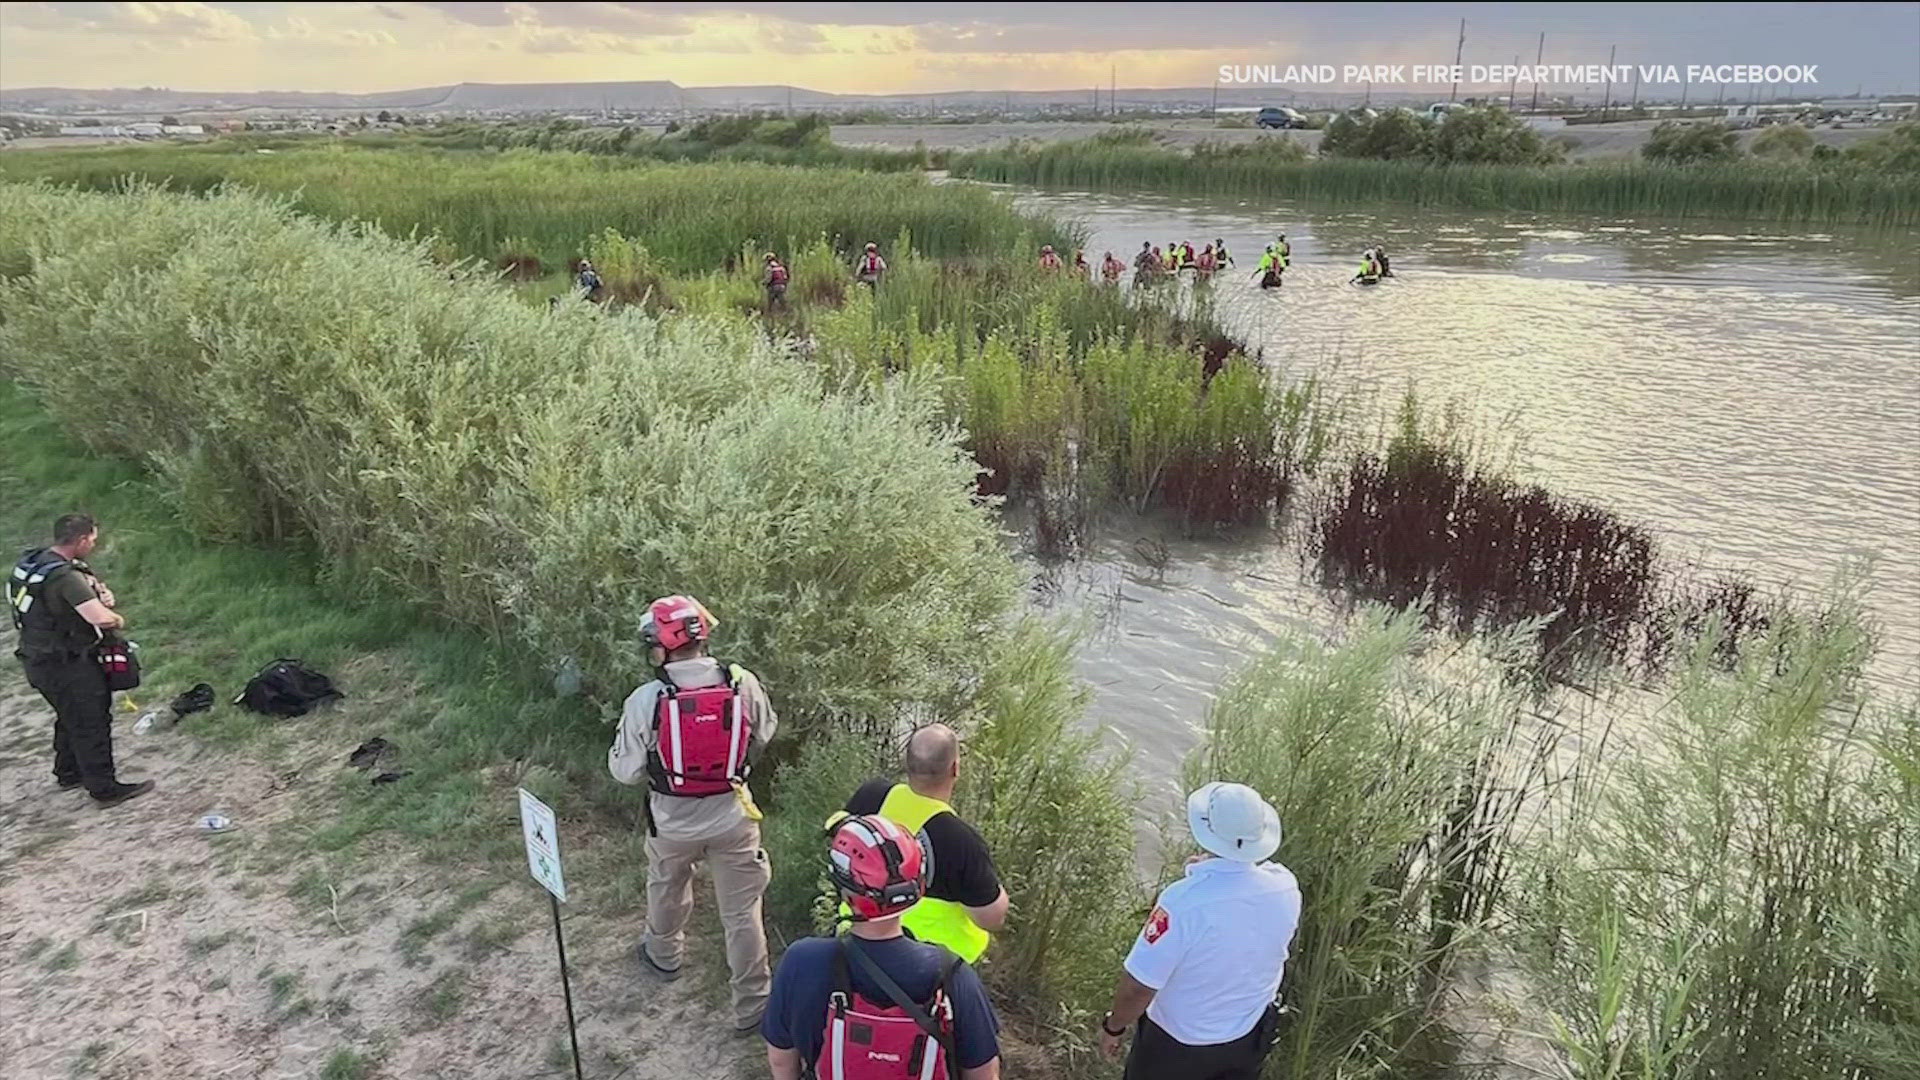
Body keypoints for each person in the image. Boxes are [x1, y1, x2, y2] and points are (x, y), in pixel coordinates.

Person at [609, 595, 779, 1032]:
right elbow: (766, 731)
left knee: (666, 887)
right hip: (733, 818)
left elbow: (625, 772)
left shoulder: (647, 698)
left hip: (671, 822)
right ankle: (753, 1006)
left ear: (662, 646)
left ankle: (664, 955)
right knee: (742, 915)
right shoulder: (741, 681)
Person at [763, 815, 1002, 1080]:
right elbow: (984, 1074)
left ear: (841, 885)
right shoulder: (952, 975)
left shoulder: (802, 962)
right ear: (918, 886)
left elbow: (782, 1061)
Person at [1098, 783, 1300, 1080]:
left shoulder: (1182, 902)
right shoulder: (1286, 886)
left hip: (1177, 1046)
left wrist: (1113, 1027)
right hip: (1248, 1038)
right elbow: (1237, 895)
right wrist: (1205, 871)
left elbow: (1138, 987)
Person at [9, 514, 152, 806]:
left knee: (69, 714)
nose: (94, 545)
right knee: (91, 722)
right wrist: (116, 617)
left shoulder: (36, 564)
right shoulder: (66, 577)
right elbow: (101, 618)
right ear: (82, 540)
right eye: (93, 540)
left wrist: (99, 596)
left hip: (37, 659)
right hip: (67, 663)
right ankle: (104, 788)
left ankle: (68, 772)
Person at [842, 724, 1008, 963]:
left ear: (906, 762)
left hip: (857, 940)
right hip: (929, 966)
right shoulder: (961, 840)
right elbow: (991, 919)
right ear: (955, 768)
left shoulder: (872, 796)